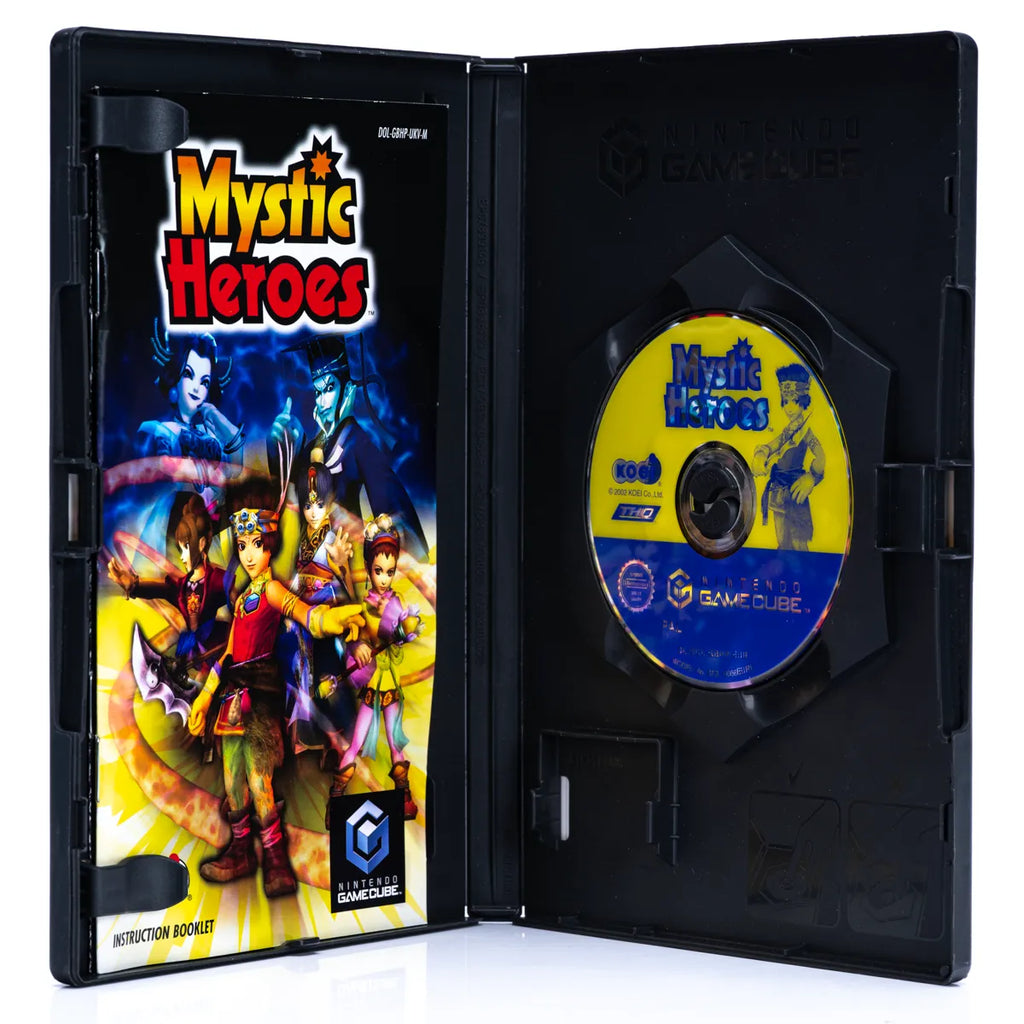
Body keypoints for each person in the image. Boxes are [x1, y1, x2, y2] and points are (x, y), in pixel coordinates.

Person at [185, 479, 364, 898]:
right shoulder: (243, 598)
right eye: (242, 545)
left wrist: (329, 620)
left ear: (269, 545)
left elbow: (303, 613)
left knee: (259, 781)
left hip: (261, 699)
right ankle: (241, 853)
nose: (248, 554)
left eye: (256, 544)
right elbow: (228, 654)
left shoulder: (270, 589)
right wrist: (205, 698)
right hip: (231, 702)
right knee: (233, 783)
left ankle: (276, 860)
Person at [268, 333, 427, 560]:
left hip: (345, 558)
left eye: (329, 388)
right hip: (309, 557)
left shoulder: (356, 441)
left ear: (347, 389)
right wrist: (280, 443)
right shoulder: (318, 443)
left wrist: (386, 526)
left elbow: (390, 501)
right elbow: (290, 488)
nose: (322, 401)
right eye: (318, 392)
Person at [327, 514, 421, 822]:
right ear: (369, 567)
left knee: (395, 743)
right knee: (356, 742)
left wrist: (401, 629)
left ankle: (404, 798)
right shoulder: (362, 604)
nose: (383, 578)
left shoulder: (397, 602)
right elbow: (352, 635)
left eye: (389, 572)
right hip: (371, 684)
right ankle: (335, 799)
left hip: (389, 683)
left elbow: (400, 640)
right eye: (379, 571)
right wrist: (358, 647)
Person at [107, 493, 229, 687]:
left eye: (186, 548)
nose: (182, 556)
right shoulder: (182, 586)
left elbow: (240, 603)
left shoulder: (218, 579)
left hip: (215, 650)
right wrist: (133, 585)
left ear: (201, 544)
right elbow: (162, 589)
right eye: (180, 549)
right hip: (189, 652)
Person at [284, 449, 356, 755]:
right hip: (304, 619)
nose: (313, 512)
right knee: (304, 677)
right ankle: (310, 736)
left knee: (329, 678)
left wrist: (341, 566)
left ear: (330, 502)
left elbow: (348, 591)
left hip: (326, 619)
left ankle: (344, 736)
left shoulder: (332, 540)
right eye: (308, 505)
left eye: (319, 504)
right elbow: (298, 575)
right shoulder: (304, 539)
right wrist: (290, 602)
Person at [137, 323, 244, 462]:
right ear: (175, 377)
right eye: (188, 374)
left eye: (204, 382)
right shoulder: (157, 429)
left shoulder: (212, 435)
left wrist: (214, 413)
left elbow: (235, 466)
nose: (196, 388)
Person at [752, 364, 825, 551]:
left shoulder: (806, 431)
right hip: (777, 493)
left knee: (799, 542)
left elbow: (821, 456)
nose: (789, 407)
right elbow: (773, 445)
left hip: (796, 491)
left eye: (794, 401)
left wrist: (811, 477)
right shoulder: (788, 430)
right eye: (786, 401)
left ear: (804, 401)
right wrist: (761, 455)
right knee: (782, 542)